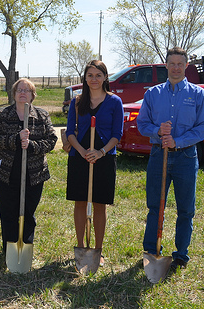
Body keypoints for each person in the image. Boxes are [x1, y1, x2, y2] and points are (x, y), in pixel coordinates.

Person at [137, 47, 204, 270]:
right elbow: (142, 124)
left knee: (186, 209)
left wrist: (177, 141)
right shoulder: (152, 94)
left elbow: (202, 129)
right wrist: (158, 132)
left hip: (186, 157)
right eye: (172, 63)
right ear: (166, 65)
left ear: (186, 65)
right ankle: (151, 251)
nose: (176, 68)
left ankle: (180, 255)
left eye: (180, 63)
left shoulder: (199, 95)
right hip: (159, 155)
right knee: (154, 206)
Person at [0, 78, 57, 253]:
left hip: (34, 173)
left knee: (28, 213)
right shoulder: (4, 114)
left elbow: (51, 141)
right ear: (14, 94)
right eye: (19, 90)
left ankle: (25, 247)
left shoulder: (41, 116)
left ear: (33, 95)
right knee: (8, 212)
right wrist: (15, 139)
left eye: (27, 90)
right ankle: (9, 249)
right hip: (6, 172)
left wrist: (32, 145)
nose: (22, 93)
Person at [66, 60, 123, 266]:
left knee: (100, 204)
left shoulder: (115, 102)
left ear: (105, 77)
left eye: (98, 75)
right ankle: (81, 247)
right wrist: (82, 152)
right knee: (80, 202)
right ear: (85, 78)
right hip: (80, 157)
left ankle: (98, 250)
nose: (94, 79)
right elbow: (70, 131)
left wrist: (100, 152)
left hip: (104, 157)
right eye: (90, 75)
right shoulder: (77, 102)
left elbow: (117, 134)